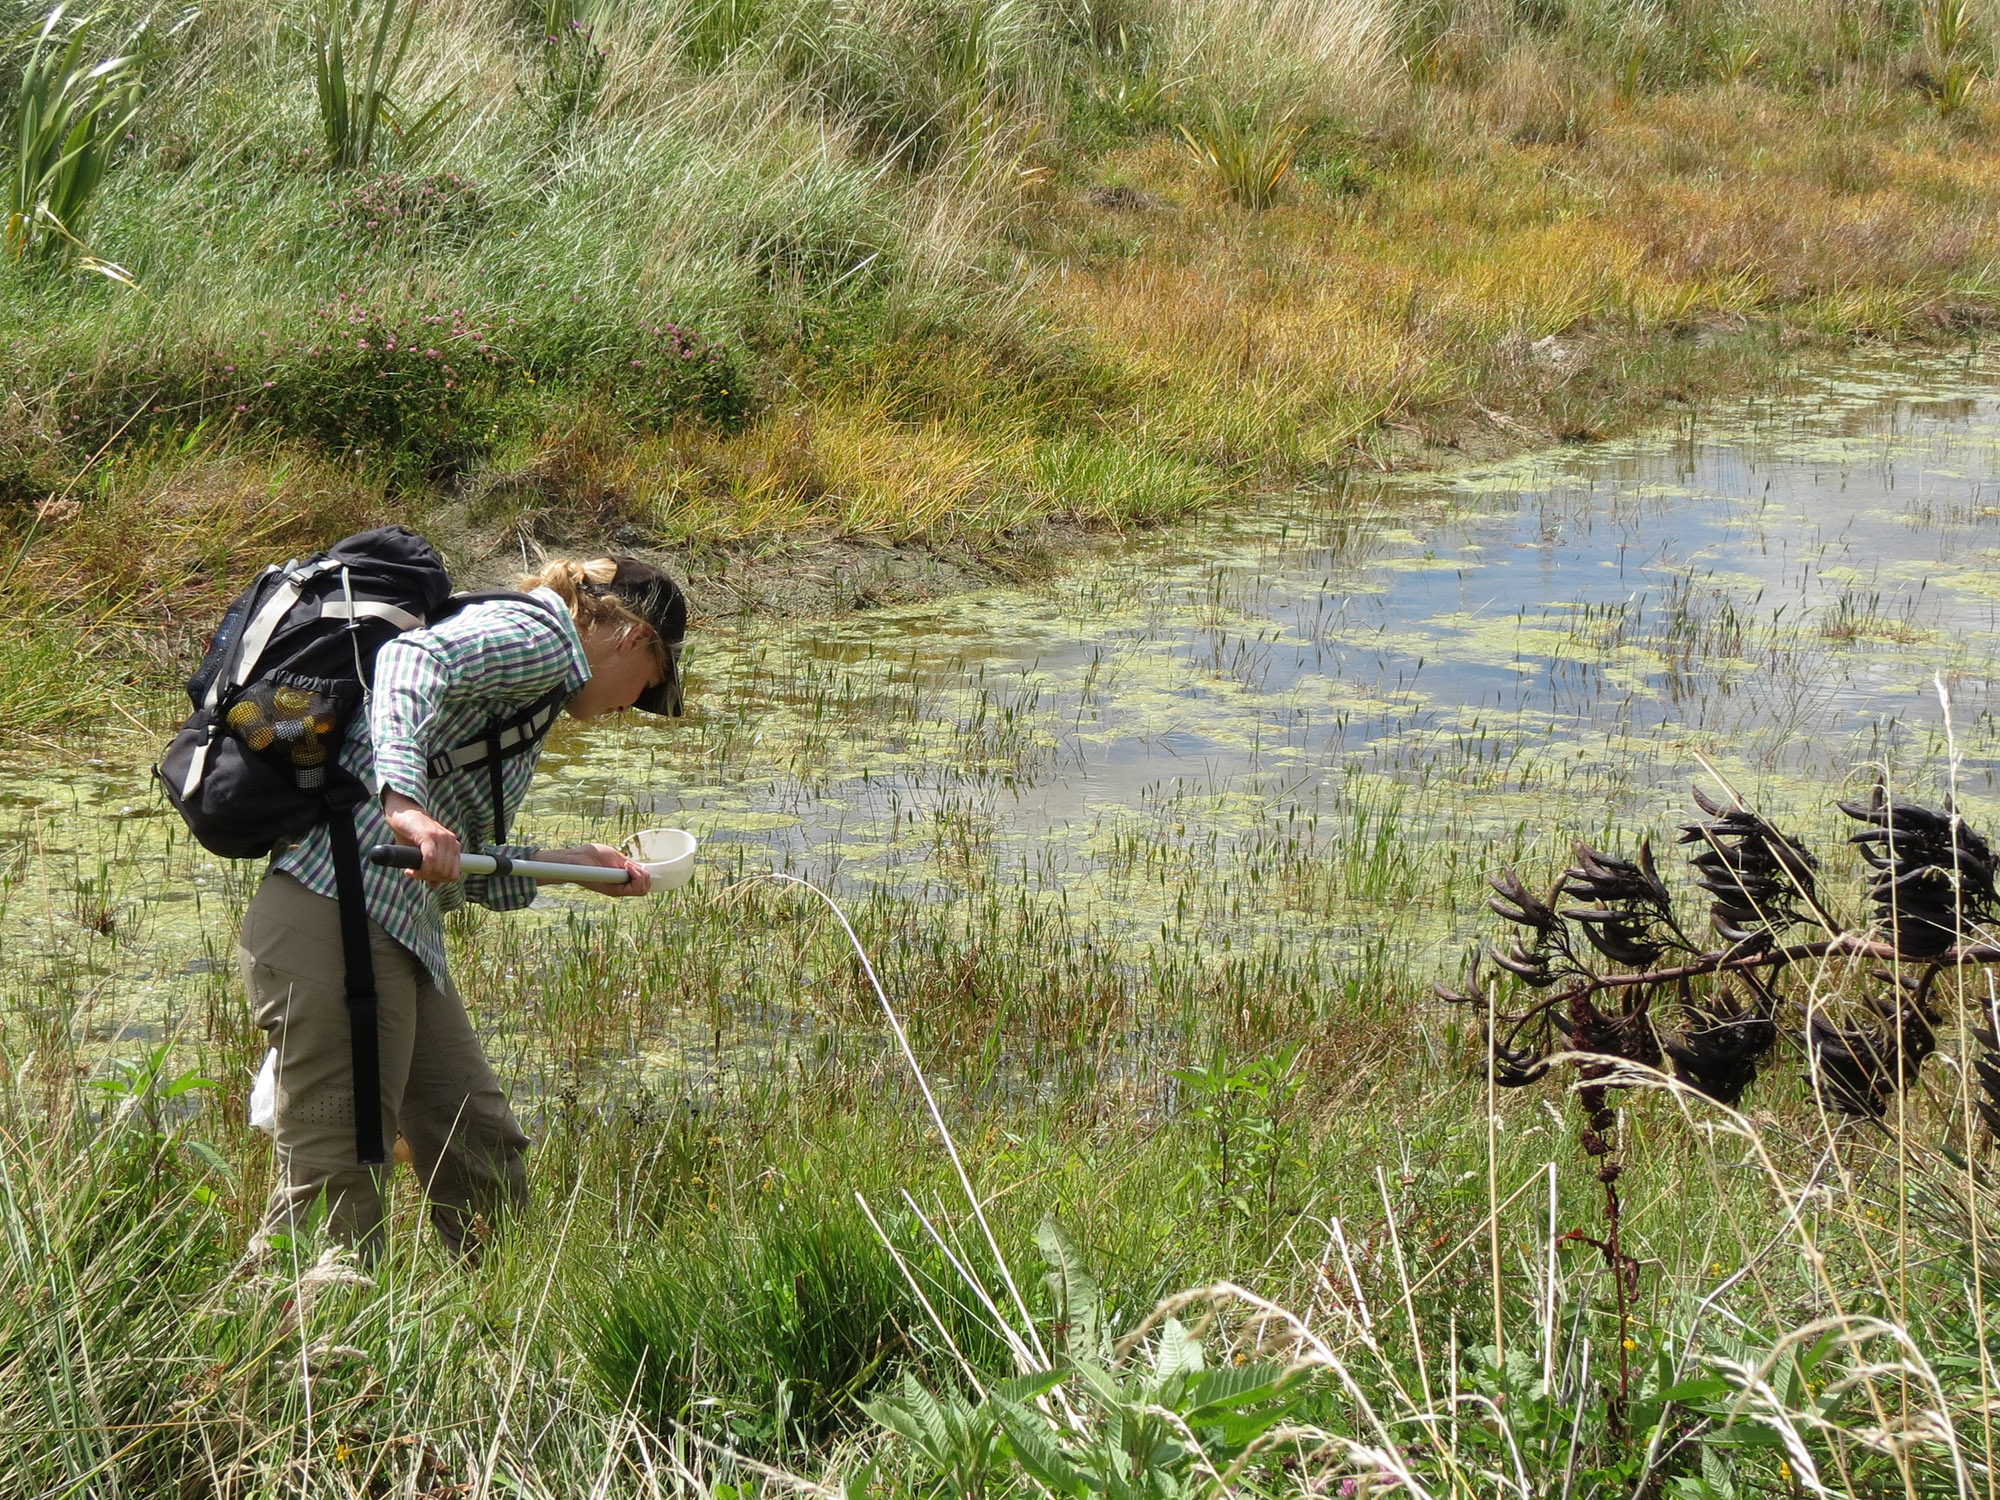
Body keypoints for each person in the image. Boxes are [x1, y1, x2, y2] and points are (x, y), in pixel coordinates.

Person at [237, 555, 687, 1261]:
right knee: (337, 1186)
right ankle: (298, 1362)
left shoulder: (533, 692)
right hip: (336, 914)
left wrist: (565, 866)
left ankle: (500, 1338)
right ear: (634, 639)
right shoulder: (541, 634)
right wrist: (404, 801)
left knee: (478, 1150)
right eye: (648, 688)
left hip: (400, 929)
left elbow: (445, 866)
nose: (630, 708)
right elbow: (410, 663)